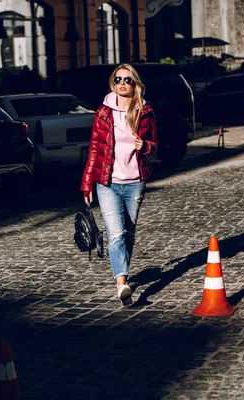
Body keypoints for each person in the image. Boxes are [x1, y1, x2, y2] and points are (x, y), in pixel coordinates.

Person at [80, 63, 158, 306]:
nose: (122, 84)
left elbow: (155, 145)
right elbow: (94, 149)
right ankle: (122, 284)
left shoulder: (145, 111)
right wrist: (87, 183)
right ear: (112, 83)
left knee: (129, 234)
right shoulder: (103, 113)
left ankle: (123, 272)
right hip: (107, 182)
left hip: (135, 182)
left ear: (135, 83)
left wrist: (144, 146)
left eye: (127, 80)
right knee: (116, 234)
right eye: (118, 79)